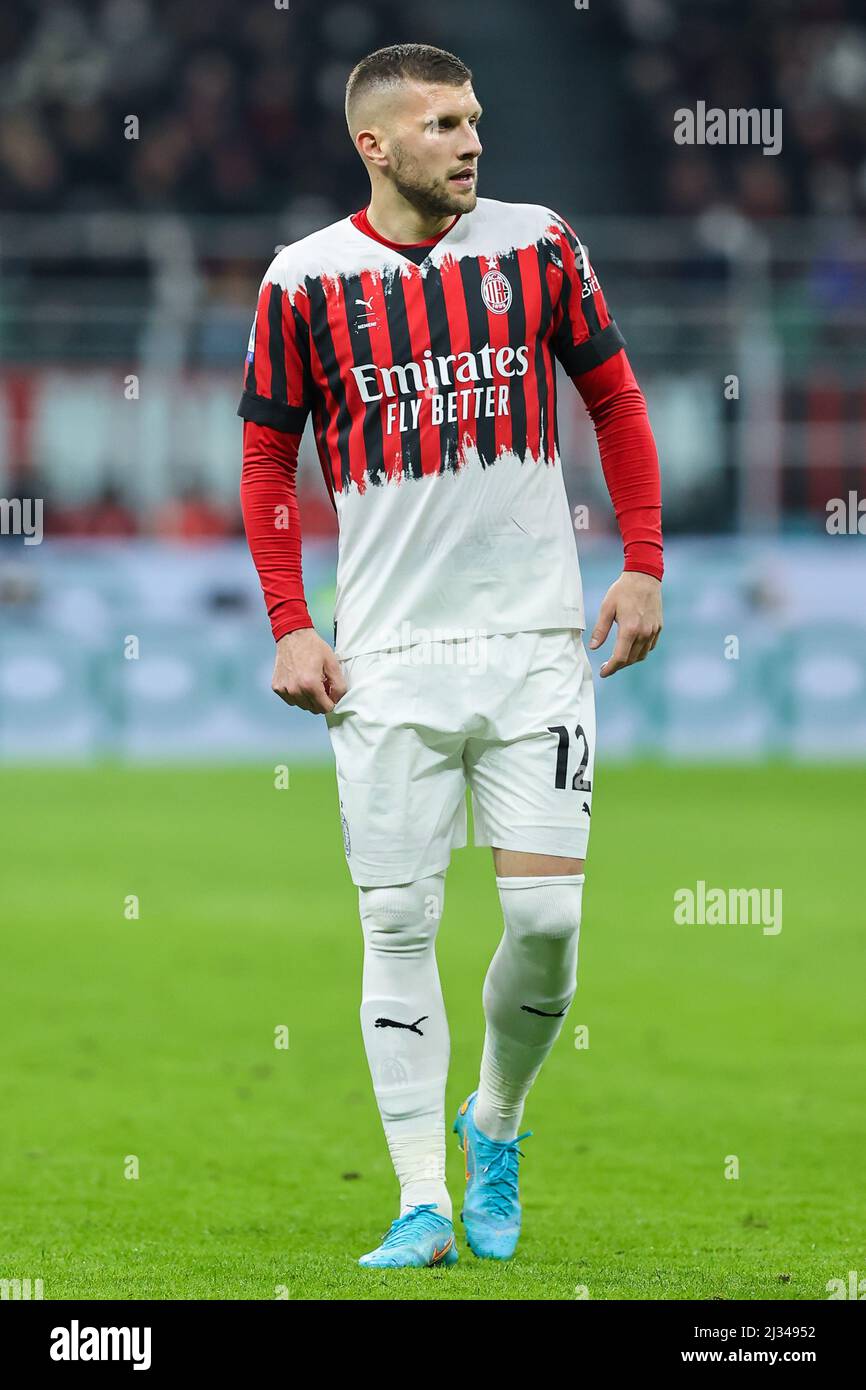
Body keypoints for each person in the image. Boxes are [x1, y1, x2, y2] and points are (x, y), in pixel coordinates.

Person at [239, 42, 663, 1268]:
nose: (469, 140)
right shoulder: (304, 281)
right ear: (372, 144)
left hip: (535, 646)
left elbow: (615, 399)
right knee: (398, 923)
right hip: (387, 661)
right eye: (438, 124)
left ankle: (499, 1123)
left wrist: (639, 559)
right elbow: (269, 460)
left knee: (544, 923)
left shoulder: (537, 244)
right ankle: (422, 1197)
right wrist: (288, 619)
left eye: (473, 118)